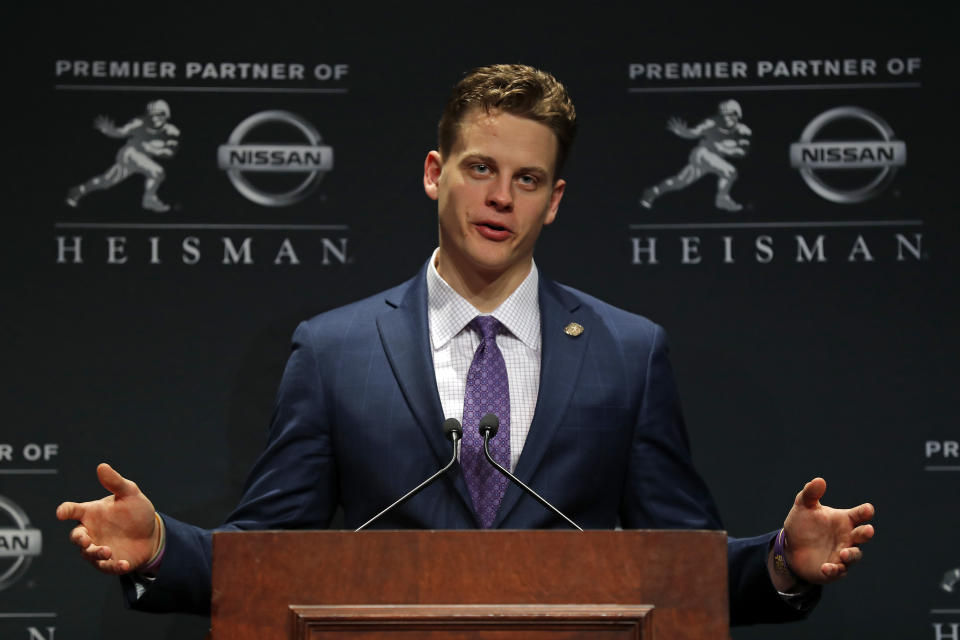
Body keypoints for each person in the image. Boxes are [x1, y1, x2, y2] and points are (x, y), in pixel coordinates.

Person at [56, 65, 874, 625]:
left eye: (526, 180)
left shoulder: (628, 350)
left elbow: (683, 564)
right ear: (432, 172)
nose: (499, 198)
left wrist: (779, 562)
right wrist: (159, 546)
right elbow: (268, 552)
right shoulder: (335, 348)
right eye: (480, 168)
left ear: (554, 202)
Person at [65, 99, 179, 212]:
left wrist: (153, 149)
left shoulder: (172, 132)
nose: (155, 118)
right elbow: (121, 132)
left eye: (159, 114)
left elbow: (170, 153)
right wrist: (109, 130)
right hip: (130, 154)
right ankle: (149, 199)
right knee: (157, 172)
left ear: (166, 114)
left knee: (106, 181)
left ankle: (79, 190)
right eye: (152, 115)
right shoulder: (139, 122)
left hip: (143, 159)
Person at [640, 99, 751, 212]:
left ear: (738, 114)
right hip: (702, 154)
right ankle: (722, 198)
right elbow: (694, 132)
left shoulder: (743, 131)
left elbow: (742, 152)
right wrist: (683, 132)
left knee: (679, 182)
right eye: (724, 115)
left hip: (714, 159)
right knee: (730, 172)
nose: (727, 118)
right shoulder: (712, 122)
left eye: (730, 114)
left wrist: (724, 149)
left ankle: (653, 191)